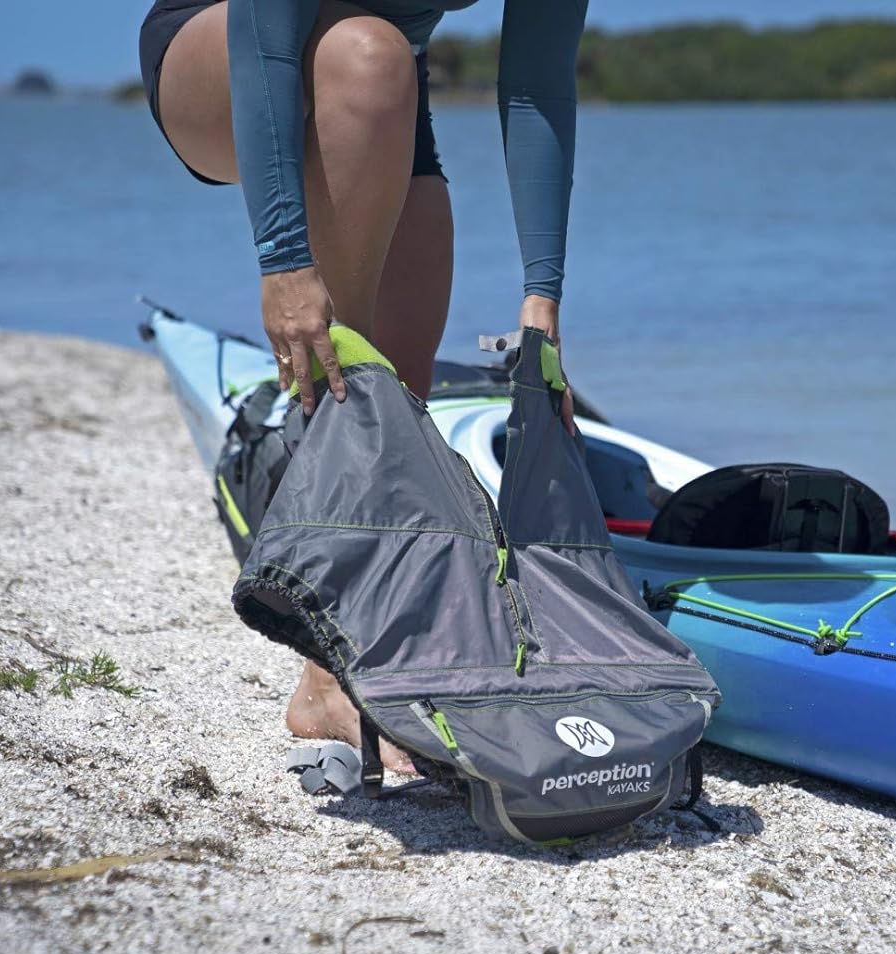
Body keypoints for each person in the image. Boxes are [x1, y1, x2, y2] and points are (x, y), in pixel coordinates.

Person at [138, 0, 587, 769]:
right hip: (232, 45)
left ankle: (352, 653)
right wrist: (285, 261)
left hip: (383, 77)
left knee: (399, 391)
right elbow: (265, 36)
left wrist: (541, 306)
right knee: (370, 55)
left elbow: (537, 85)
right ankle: (332, 666)